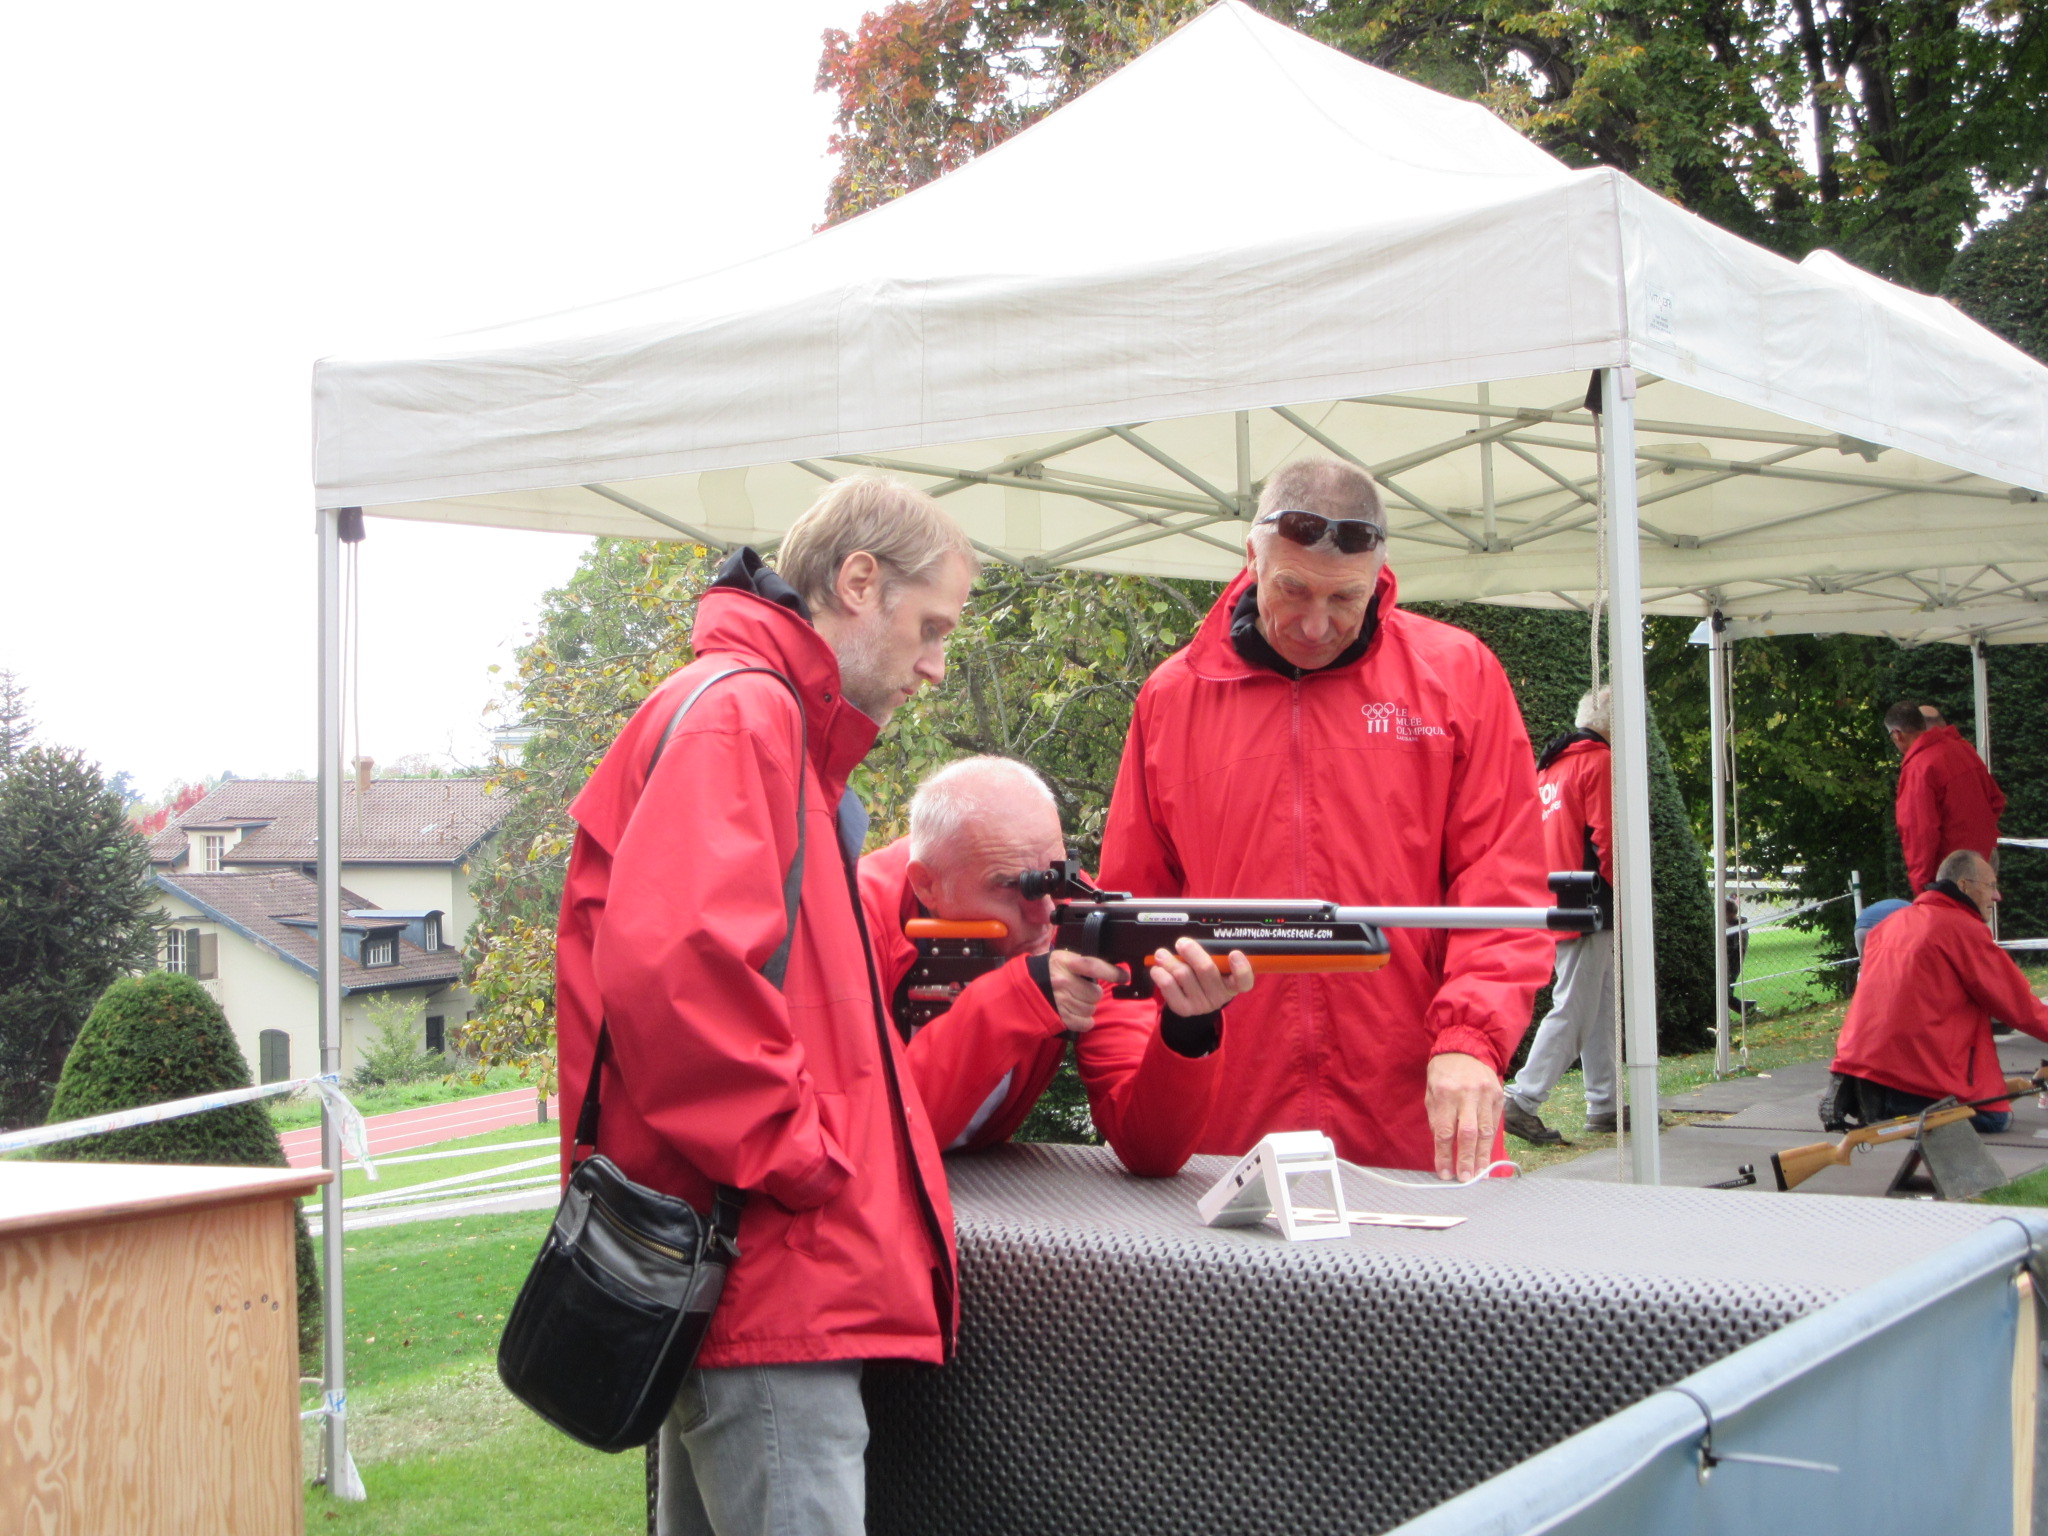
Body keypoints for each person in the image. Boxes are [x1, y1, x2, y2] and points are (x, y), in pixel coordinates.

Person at [554, 476, 978, 1536]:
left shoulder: (759, 718)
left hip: (747, 1263)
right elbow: (677, 973)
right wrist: (800, 1157)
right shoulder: (746, 713)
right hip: (769, 1267)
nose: (935, 664)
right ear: (858, 581)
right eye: (930, 628)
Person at [1100, 457, 1552, 1181]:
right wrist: (1143, 1096)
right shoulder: (1172, 698)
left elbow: (1502, 886)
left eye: (1346, 597)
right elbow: (1133, 914)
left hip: (1420, 1113)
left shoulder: (1457, 675)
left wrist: (1473, 1038)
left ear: (1380, 576)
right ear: (1252, 559)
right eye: (1292, 589)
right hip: (1233, 1125)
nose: (1316, 625)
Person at [860, 756, 1253, 1177]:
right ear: (926, 884)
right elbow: (872, 1138)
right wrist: (1020, 998)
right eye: (1008, 885)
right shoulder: (850, 917)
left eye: (1054, 878)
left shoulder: (1075, 910)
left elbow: (1150, 1149)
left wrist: (1187, 1031)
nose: (1044, 913)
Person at [1831, 849, 2048, 1134]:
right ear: (1964, 886)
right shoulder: (1963, 929)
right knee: (1998, 1118)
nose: (1997, 896)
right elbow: (2020, 1006)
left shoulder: (1892, 924)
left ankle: (1895, 1106)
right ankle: (1915, 1108)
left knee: (1993, 1097)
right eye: (1991, 886)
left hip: (1860, 1070)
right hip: (1918, 1076)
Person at [1503, 687, 1617, 1145]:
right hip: (1591, 898)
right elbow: (1608, 837)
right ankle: (1523, 1099)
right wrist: (1625, 895)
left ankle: (1605, 1104)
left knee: (1597, 1002)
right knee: (1575, 1006)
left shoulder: (1551, 766)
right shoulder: (1599, 761)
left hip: (1556, 895)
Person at [1887, 700, 2004, 895]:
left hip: (1950, 874)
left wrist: (1922, 887)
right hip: (1983, 862)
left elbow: (1920, 833)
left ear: (1897, 734)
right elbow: (1996, 800)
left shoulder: (1919, 767)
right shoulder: (1963, 749)